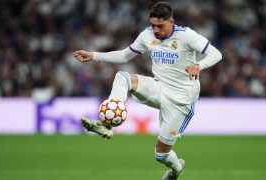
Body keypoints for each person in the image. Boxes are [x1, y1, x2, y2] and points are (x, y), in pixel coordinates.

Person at [73, 2, 222, 179]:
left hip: (181, 101)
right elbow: (123, 55)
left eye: (160, 26)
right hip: (158, 88)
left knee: (161, 155)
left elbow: (216, 54)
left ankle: (175, 171)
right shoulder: (147, 35)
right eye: (153, 25)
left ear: (171, 21)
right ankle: (107, 126)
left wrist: (199, 65)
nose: (156, 30)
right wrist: (94, 55)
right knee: (123, 77)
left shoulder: (187, 35)